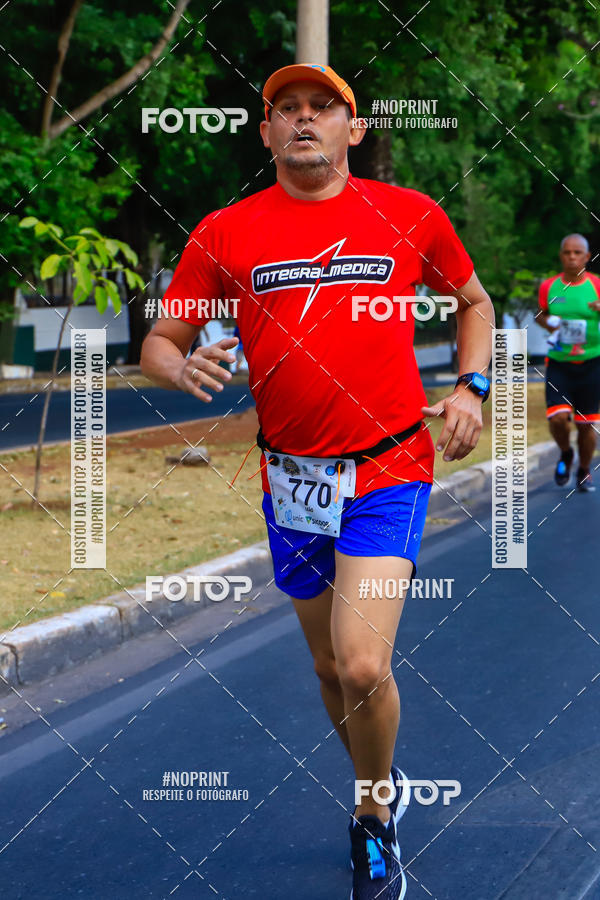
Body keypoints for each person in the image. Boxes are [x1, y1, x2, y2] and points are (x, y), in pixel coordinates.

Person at [140, 63, 494, 899]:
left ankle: (373, 813)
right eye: (286, 110)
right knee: (331, 673)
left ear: (354, 129)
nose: (304, 120)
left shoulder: (408, 215)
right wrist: (176, 364)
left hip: (390, 467)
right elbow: (160, 339)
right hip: (292, 479)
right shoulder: (226, 231)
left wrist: (472, 388)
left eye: (322, 108)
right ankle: (384, 781)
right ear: (265, 133)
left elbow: (473, 300)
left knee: (363, 663)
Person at [537, 233, 600, 492]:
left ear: (586, 256)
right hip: (559, 363)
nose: (572, 257)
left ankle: (584, 470)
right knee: (558, 419)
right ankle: (565, 453)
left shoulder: (597, 285)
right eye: (567, 252)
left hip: (592, 364)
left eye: (577, 253)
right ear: (561, 255)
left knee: (586, 426)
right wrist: (551, 323)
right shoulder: (549, 287)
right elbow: (541, 315)